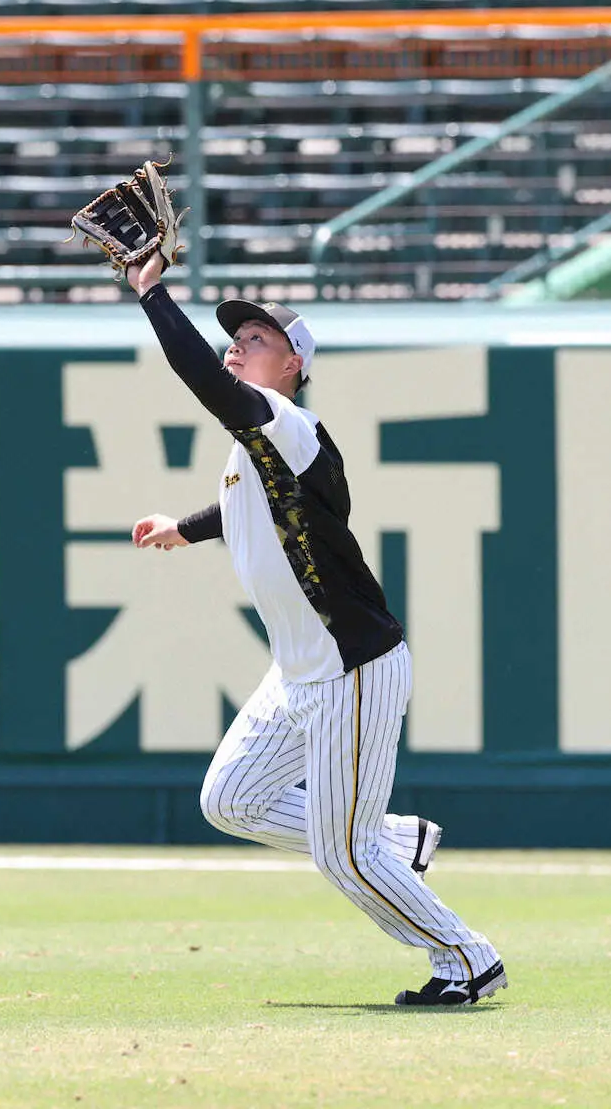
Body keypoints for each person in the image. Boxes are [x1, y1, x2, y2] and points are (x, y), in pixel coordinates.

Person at [126, 251, 507, 1008]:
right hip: (297, 671)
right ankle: (396, 843)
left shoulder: (288, 424)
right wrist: (183, 527)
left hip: (351, 666)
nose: (236, 346)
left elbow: (204, 382)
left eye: (256, 340)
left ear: (294, 364)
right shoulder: (255, 450)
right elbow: (252, 511)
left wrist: (151, 293)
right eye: (234, 337)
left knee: (342, 855)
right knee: (231, 799)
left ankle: (465, 959)